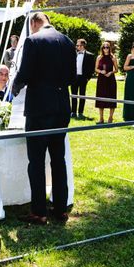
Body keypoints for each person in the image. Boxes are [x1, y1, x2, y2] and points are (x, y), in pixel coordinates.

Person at [12, 12, 76, 225]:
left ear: (34, 23)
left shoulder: (33, 40)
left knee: (37, 160)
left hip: (40, 107)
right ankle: (60, 207)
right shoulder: (67, 41)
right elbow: (71, 77)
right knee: (59, 159)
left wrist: (17, 85)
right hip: (61, 106)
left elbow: (26, 72)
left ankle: (39, 211)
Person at [70, 39, 96, 119]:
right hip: (74, 77)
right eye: (77, 45)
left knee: (82, 95)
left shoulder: (90, 55)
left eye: (78, 45)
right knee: (73, 95)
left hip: (83, 78)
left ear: (83, 46)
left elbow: (92, 68)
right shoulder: (73, 54)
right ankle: (73, 112)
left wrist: (88, 78)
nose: (77, 47)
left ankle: (80, 112)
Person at [95, 41, 118, 124]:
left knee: (111, 97)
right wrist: (101, 71)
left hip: (110, 79)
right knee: (100, 97)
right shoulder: (99, 57)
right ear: (102, 48)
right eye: (104, 47)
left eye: (107, 47)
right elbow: (96, 69)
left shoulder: (113, 57)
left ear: (109, 48)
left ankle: (110, 118)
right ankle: (101, 119)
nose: (106, 49)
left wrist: (110, 73)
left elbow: (116, 69)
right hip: (101, 79)